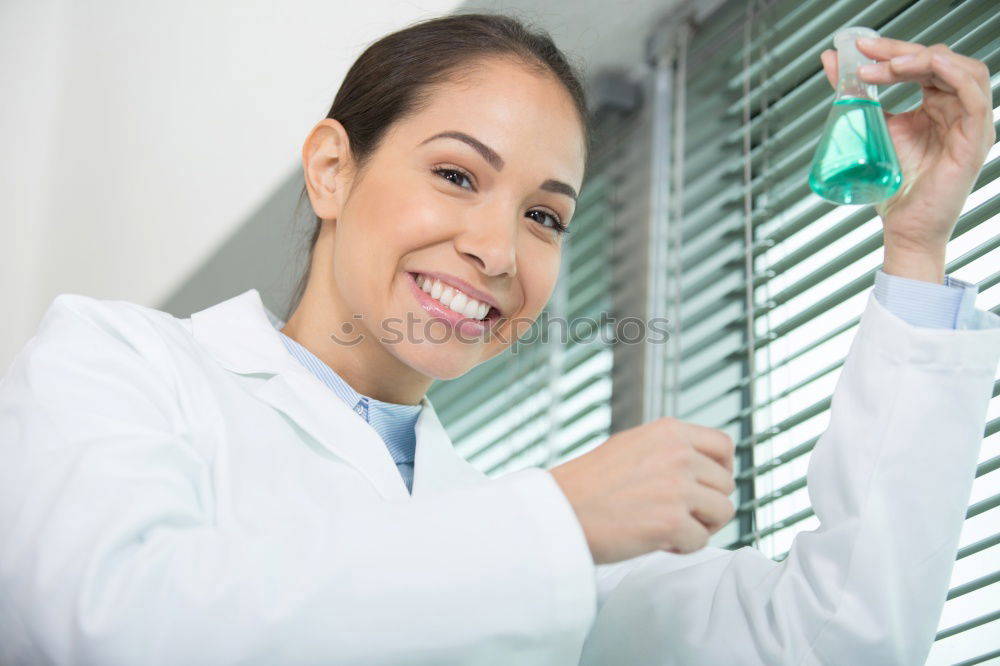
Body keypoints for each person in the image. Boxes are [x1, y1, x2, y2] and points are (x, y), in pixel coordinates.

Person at [0, 11, 996, 666]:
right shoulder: (122, 364)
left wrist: (914, 246)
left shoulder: (539, 549)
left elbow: (835, 644)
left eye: (545, 217)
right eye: (457, 175)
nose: (495, 249)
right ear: (331, 170)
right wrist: (557, 519)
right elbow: (107, 628)